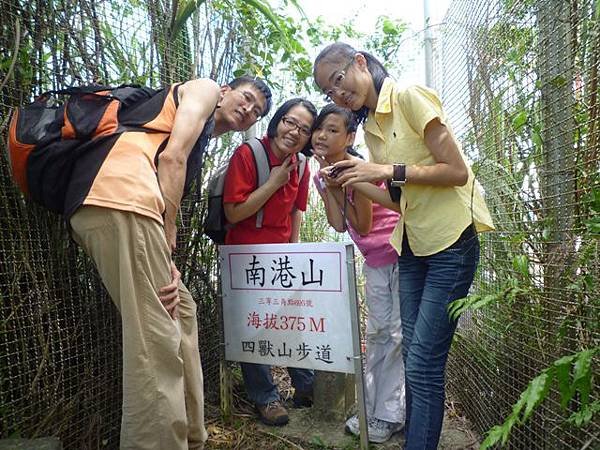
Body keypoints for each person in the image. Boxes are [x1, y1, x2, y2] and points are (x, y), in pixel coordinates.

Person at [67, 75, 272, 450]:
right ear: (226, 91)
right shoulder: (206, 89)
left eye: (256, 111)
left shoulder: (204, 133)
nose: (248, 110)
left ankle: (193, 436)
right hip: (122, 199)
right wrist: (169, 227)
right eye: (247, 98)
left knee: (183, 309)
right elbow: (171, 156)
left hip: (123, 207)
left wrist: (164, 251)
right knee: (154, 336)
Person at [313, 42, 495, 450]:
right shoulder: (375, 127)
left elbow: (456, 171)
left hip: (450, 243)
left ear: (360, 62)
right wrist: (355, 180)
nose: (339, 95)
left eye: (339, 80)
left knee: (424, 362)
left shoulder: (410, 95)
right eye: (330, 92)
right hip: (411, 246)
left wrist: (380, 169)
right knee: (414, 359)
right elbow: (400, 199)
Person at [311, 103, 406, 443]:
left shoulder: (358, 167)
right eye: (320, 128)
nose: (323, 135)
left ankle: (387, 415)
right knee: (381, 334)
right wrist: (330, 186)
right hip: (376, 261)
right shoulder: (324, 175)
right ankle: (380, 411)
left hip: (396, 255)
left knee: (391, 335)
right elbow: (339, 223)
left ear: (350, 136)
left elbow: (363, 223)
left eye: (333, 130)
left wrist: (340, 181)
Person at [222, 98, 317, 426]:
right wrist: (274, 183)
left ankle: (306, 386)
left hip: (281, 258)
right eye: (291, 122)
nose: (295, 132)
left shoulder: (303, 165)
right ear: (277, 121)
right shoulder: (248, 154)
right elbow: (233, 212)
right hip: (245, 255)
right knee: (253, 326)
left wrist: (293, 251)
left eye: (304, 129)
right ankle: (266, 397)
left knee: (291, 321)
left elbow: (296, 212)